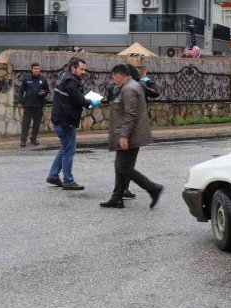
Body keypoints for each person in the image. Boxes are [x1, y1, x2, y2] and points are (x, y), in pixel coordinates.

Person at [100, 64, 164, 209]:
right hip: (128, 133)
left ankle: (153, 188)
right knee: (120, 166)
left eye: (114, 77)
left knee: (124, 167)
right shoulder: (129, 86)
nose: (114, 80)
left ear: (119, 75)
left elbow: (130, 115)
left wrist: (123, 136)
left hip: (130, 135)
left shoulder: (129, 89)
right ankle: (117, 197)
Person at [48, 57, 100, 190]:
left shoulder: (64, 76)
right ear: (73, 68)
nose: (84, 72)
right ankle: (68, 180)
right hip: (66, 122)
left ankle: (53, 175)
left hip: (61, 119)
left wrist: (85, 101)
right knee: (68, 152)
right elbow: (79, 100)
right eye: (81, 69)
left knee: (65, 148)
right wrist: (91, 102)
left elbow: (74, 99)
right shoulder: (71, 81)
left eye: (85, 69)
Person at [18, 62, 49, 147]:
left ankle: (33, 139)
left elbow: (47, 90)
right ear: (32, 70)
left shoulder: (43, 79)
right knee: (26, 123)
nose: (37, 70)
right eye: (35, 69)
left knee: (37, 124)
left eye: (38, 69)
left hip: (39, 106)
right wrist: (21, 101)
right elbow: (21, 91)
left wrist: (44, 92)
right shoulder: (26, 79)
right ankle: (23, 140)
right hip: (28, 105)